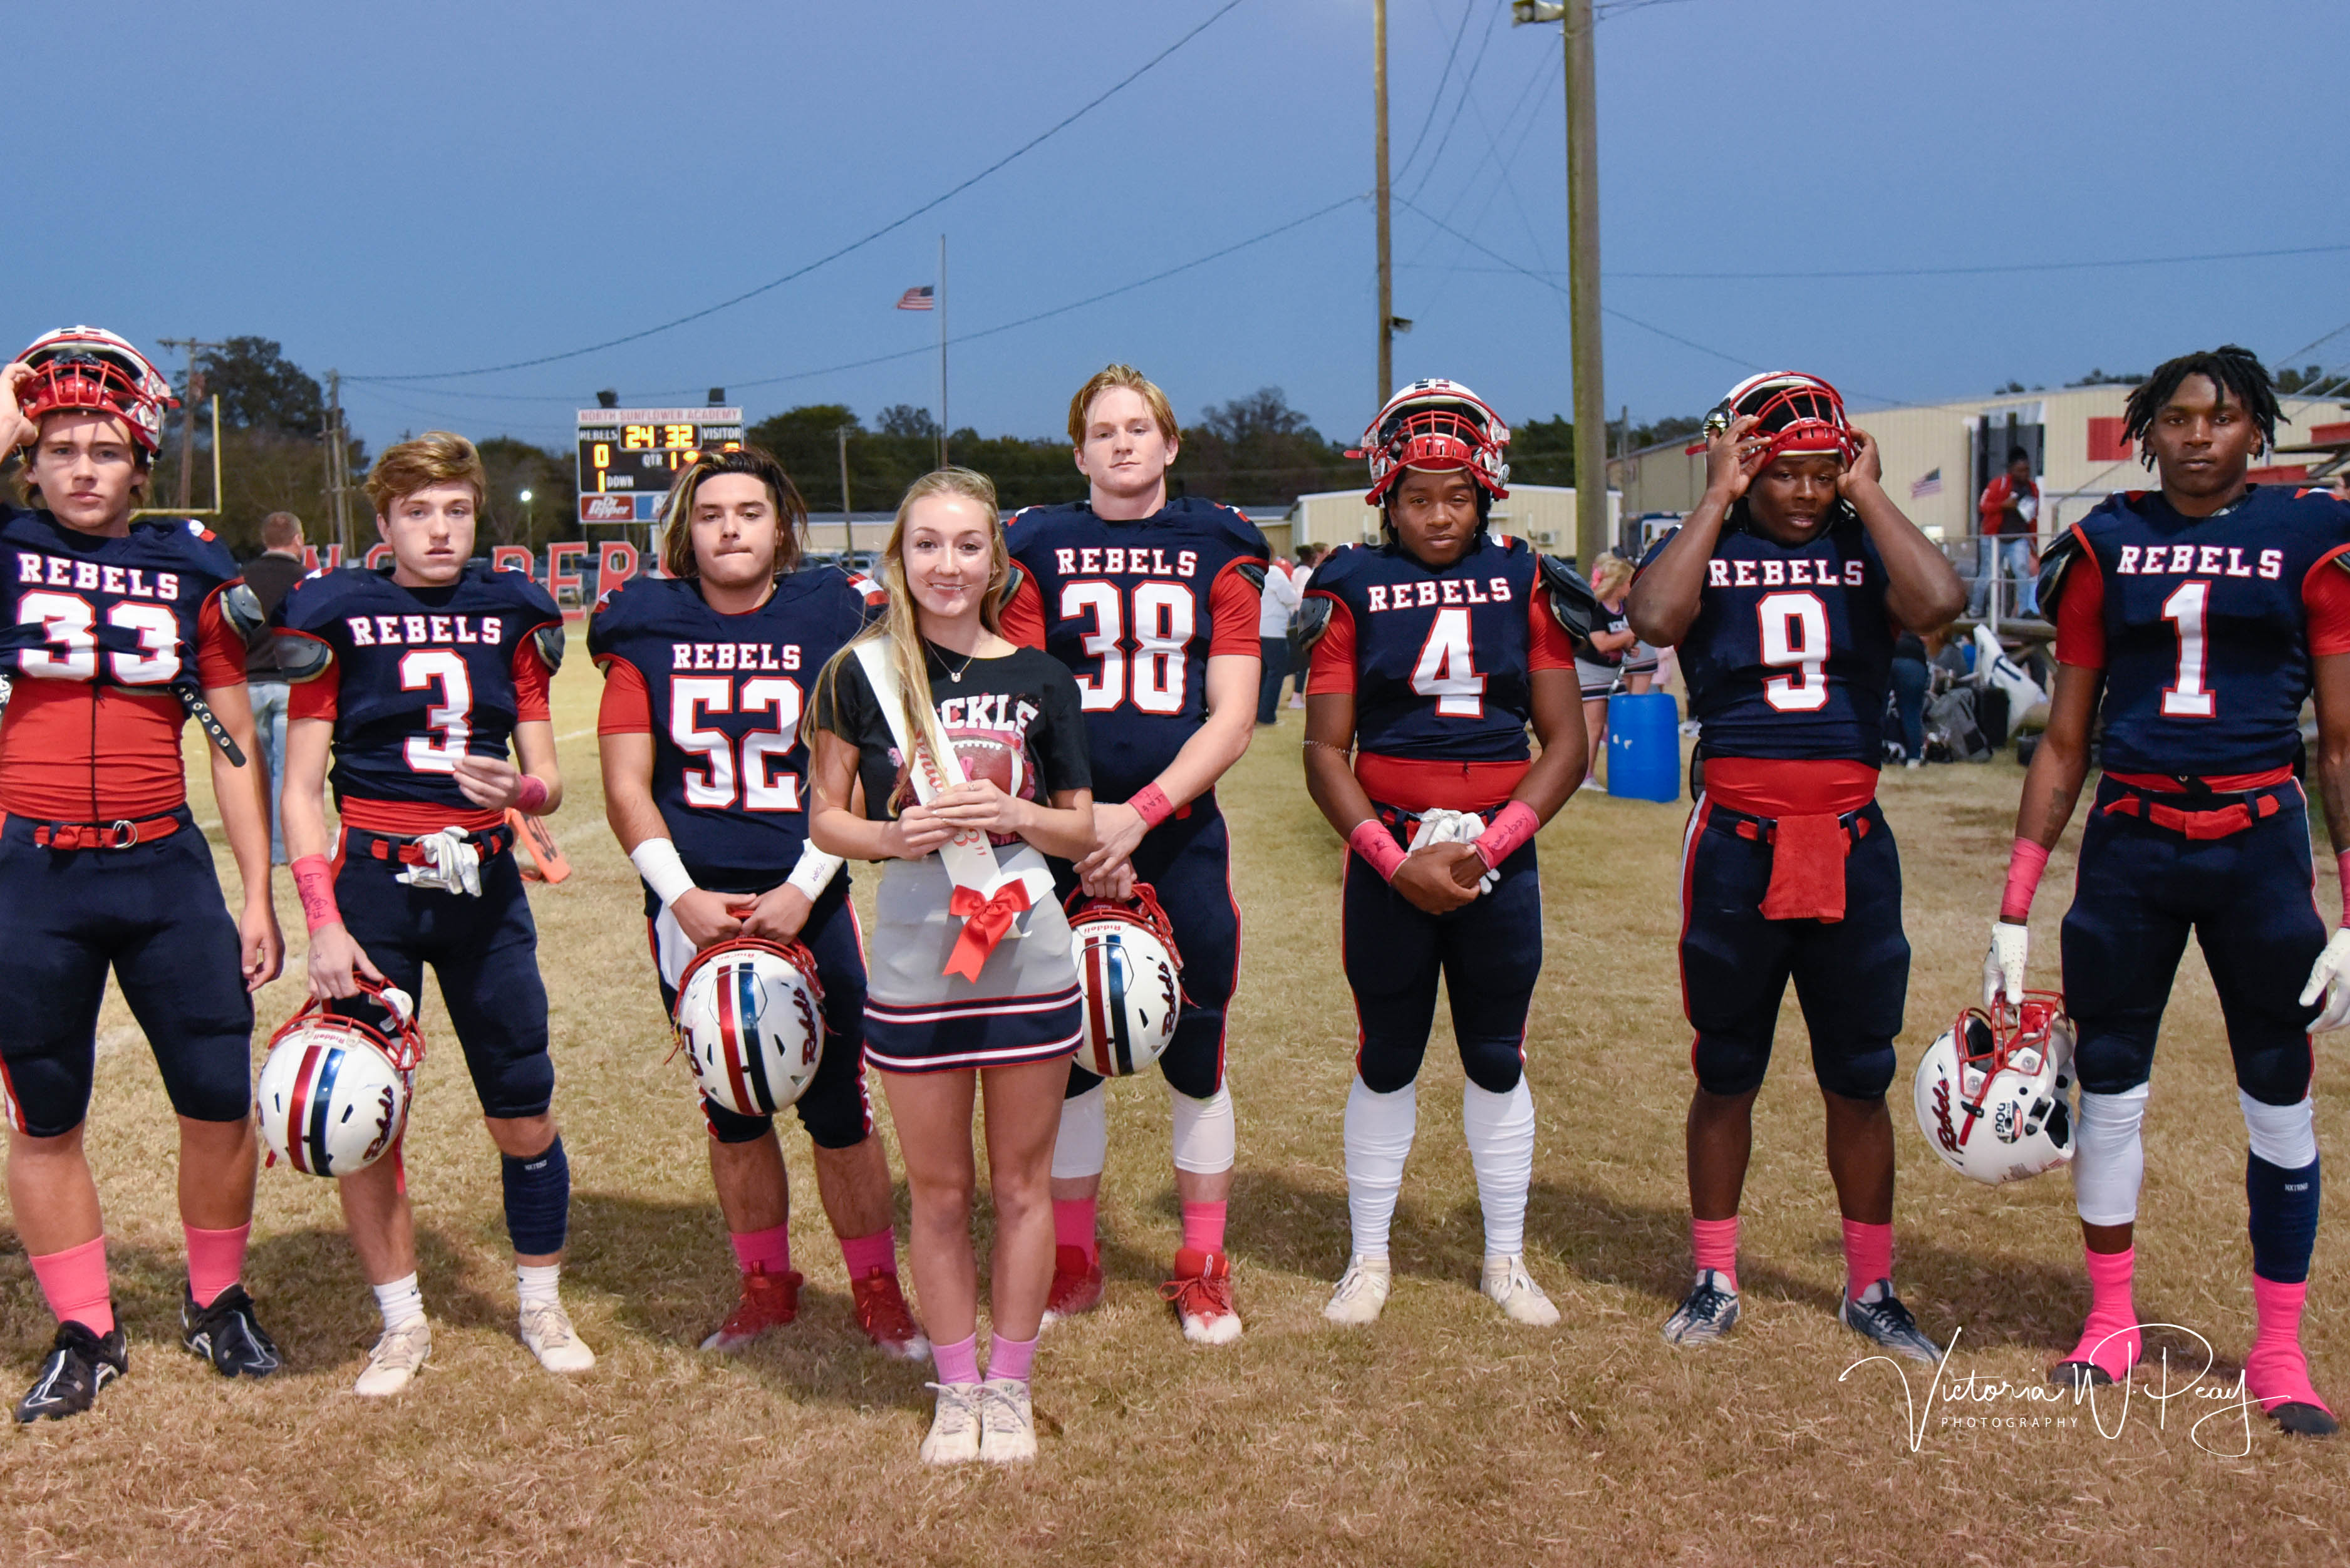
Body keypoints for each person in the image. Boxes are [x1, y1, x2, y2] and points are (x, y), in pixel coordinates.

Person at [1988, 346, 2350, 1435]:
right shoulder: (2106, 541)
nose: (2199, 435)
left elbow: (2341, 742)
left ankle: (2278, 1344)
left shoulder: (2313, 535)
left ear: (2258, 430)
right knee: (2109, 1086)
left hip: (2257, 839)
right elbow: (2064, 738)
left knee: (2278, 1091)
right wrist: (2014, 902)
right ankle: (2110, 1317)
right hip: (2134, 841)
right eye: (2179, 418)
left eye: (2223, 417)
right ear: (2147, 431)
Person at [1625, 371, 1965, 1363]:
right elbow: (1654, 619)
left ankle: (1872, 1288)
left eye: (1825, 473)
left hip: (1850, 836)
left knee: (1858, 1073)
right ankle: (1714, 1276)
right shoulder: (1710, 542)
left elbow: (1940, 604)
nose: (1808, 493)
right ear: (1748, 466)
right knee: (1727, 1065)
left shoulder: (1866, 543)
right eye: (1787, 473)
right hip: (1737, 836)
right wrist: (1718, 495)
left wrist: (1869, 492)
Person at [0, 332, 284, 1422]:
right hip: (34, 870)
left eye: (105, 450)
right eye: (59, 448)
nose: (82, 468)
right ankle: (86, 1326)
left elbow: (232, 741)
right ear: (28, 461)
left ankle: (216, 1299)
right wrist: (9, 413)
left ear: (140, 467)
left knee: (216, 1093)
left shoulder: (189, 568)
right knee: (45, 1112)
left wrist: (255, 892)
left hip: (163, 863)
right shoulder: (9, 547)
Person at [591, 446, 924, 1359]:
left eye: (748, 512)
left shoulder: (831, 615)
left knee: (840, 1106)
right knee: (733, 1105)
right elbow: (624, 786)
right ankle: (765, 1284)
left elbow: (858, 774)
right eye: (710, 514)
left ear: (781, 530)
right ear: (684, 531)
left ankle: (876, 1288)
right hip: (689, 905)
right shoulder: (643, 624)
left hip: (807, 890)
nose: (729, 528)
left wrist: (802, 887)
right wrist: (682, 897)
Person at [277, 431, 591, 1396]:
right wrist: (322, 923)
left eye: (457, 509)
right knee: (361, 1114)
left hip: (484, 886)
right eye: (418, 511)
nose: (441, 529)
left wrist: (522, 793)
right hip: (372, 886)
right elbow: (300, 791)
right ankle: (401, 1322)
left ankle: (539, 1301)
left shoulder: (512, 611)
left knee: (523, 1104)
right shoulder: (334, 611)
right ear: (384, 521)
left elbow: (548, 779)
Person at [806, 467, 1097, 1463]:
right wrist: (896, 837)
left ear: (996, 561)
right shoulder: (857, 673)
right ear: (899, 557)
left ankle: (1009, 1388)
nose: (947, 563)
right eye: (926, 543)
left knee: (1020, 1187)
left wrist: (1016, 813)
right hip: (917, 958)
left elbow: (1078, 829)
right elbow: (827, 820)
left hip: (1025, 955)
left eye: (968, 544)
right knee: (935, 1193)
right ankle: (957, 1386)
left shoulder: (1043, 678)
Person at [1302, 379, 1586, 1325]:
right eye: (1417, 497)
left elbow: (1567, 744)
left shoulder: (1526, 580)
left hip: (1496, 846)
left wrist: (1491, 846)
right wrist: (1393, 861)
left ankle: (1505, 1257)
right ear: (1386, 496)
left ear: (1486, 492)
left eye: (1457, 495)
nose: (1437, 515)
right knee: (1386, 1054)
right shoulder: (1349, 583)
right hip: (1390, 844)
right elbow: (1324, 751)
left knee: (1496, 1053)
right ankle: (1368, 1256)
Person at [1000, 364, 1266, 1344]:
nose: (1121, 443)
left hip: (1179, 834)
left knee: (1197, 1052)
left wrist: (1140, 816)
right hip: (1063, 835)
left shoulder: (1219, 544)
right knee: (1066, 1057)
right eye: (1103, 431)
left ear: (1170, 444)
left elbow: (1232, 716)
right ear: (1079, 453)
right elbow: (1019, 699)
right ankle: (1074, 1258)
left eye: (1138, 428)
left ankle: (1203, 1264)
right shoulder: (1034, 545)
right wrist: (1084, 824)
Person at [242, 510, 307, 864]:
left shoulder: (241, 580)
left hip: (248, 683)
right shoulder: (307, 582)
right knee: (290, 773)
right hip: (292, 685)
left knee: (255, 773)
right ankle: (282, 849)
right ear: (297, 540)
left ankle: (258, 846)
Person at [1578, 554, 1639, 785]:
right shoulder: (1595, 609)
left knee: (1622, 721)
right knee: (1593, 726)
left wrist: (1628, 647)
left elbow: (1618, 639)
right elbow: (1601, 643)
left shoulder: (1624, 608)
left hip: (1614, 672)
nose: (1631, 587)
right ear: (1618, 584)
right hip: (1591, 671)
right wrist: (1630, 633)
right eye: (1629, 582)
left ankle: (1624, 773)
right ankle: (1585, 776)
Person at [1969, 446, 2042, 620]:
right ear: (2011, 470)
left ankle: (2024, 610)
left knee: (2022, 572)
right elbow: (1983, 506)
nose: (2025, 474)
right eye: (2020, 470)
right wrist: (2003, 505)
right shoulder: (1998, 485)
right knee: (1988, 574)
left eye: (2027, 470)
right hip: (1994, 538)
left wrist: (2034, 543)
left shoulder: (2033, 489)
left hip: (2018, 538)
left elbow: (2033, 518)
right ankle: (1976, 608)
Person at [1255, 550, 1301, 725]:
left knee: (1262, 674)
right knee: (1276, 673)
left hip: (1256, 630)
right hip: (1274, 632)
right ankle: (1267, 715)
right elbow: (1290, 597)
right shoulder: (1274, 573)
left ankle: (1257, 712)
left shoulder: (1253, 571)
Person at [1889, 629, 1929, 767]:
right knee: (1911, 712)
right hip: (1914, 660)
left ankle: (1873, 754)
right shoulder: (1914, 626)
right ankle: (1914, 759)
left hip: (1886, 654)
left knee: (1878, 710)